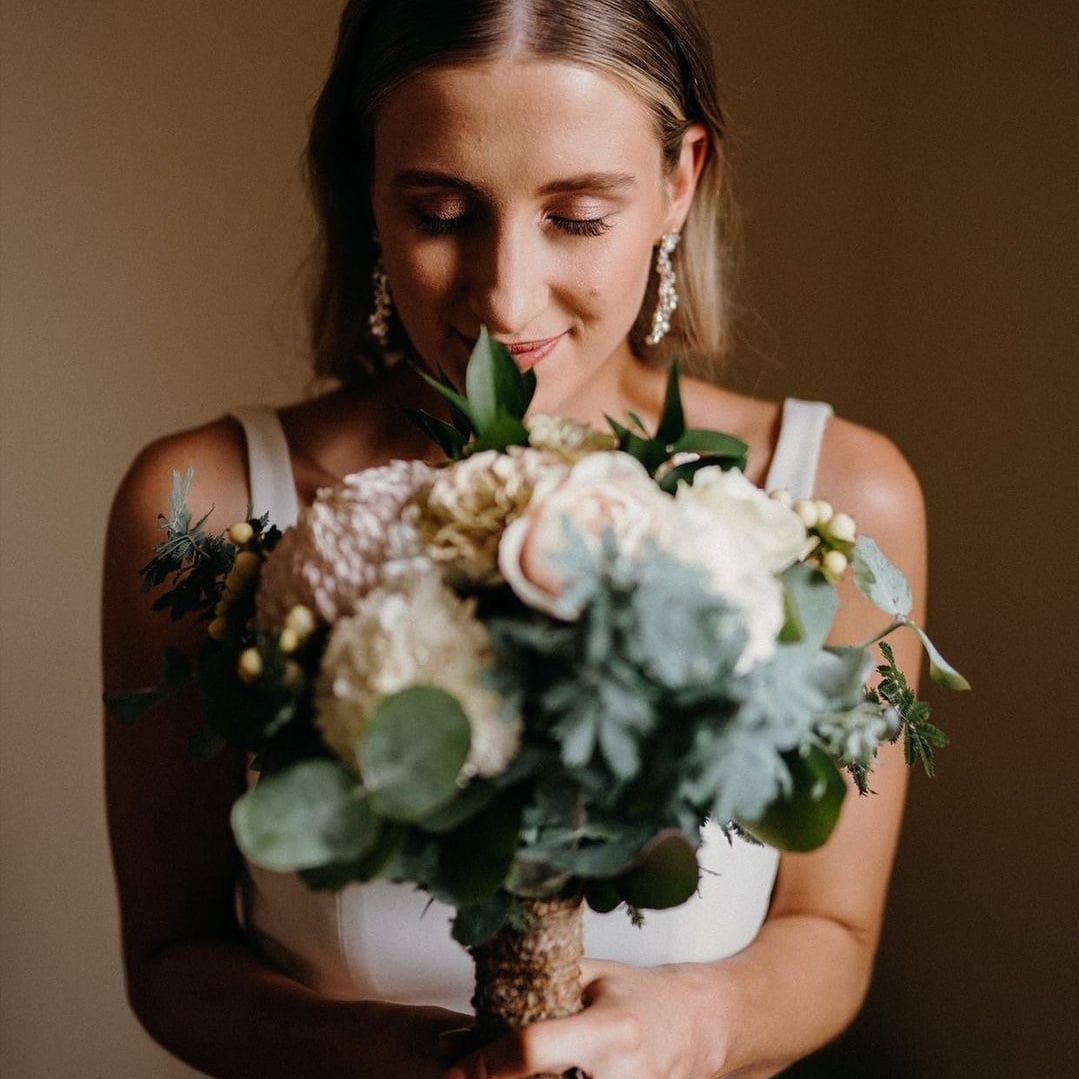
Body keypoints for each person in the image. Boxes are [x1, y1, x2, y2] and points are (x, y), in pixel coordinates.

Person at [102, 2, 926, 1077]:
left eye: (577, 215)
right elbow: (172, 954)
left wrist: (689, 1026)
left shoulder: (837, 494)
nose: (504, 295)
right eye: (443, 213)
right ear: (367, 188)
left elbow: (832, 931)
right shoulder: (201, 503)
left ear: (679, 179)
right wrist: (399, 1054)